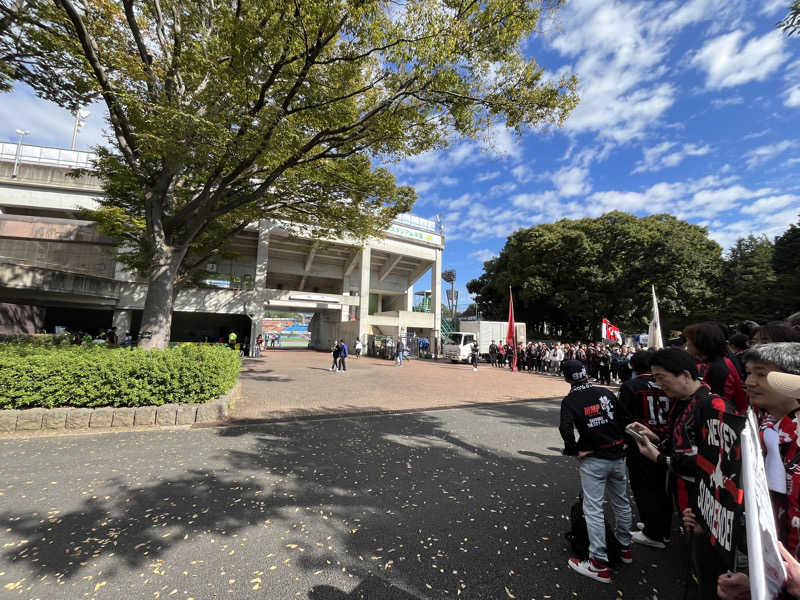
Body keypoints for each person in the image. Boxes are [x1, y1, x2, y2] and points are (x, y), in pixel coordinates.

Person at [629, 348, 735, 600]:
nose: (657, 383)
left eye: (661, 377)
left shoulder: (714, 405)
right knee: (695, 558)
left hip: (707, 499)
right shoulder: (684, 401)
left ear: (685, 374)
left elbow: (716, 461)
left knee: (710, 567)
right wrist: (655, 437)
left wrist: (659, 458)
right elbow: (681, 438)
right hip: (683, 492)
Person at [559, 359, 633, 584]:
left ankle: (599, 563)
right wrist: (626, 441)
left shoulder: (571, 400)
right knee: (622, 502)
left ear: (567, 378)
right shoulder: (605, 392)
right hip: (618, 454)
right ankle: (624, 548)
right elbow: (625, 418)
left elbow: (565, 428)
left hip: (594, 459)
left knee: (593, 509)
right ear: (585, 373)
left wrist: (573, 450)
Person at [617, 350, 673, 549]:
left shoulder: (631, 387)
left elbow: (622, 417)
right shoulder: (668, 384)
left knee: (644, 488)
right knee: (662, 488)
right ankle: (660, 527)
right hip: (667, 439)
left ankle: (653, 532)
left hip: (640, 442)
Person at [684, 322, 748, 413]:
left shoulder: (717, 368)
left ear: (699, 343)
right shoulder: (720, 361)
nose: (687, 345)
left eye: (688, 341)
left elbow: (720, 405)